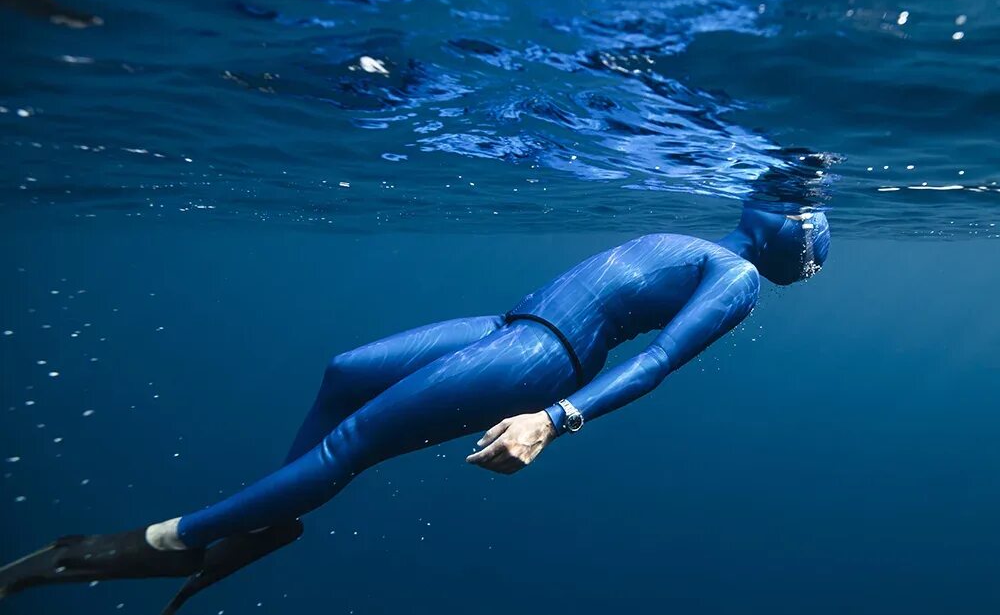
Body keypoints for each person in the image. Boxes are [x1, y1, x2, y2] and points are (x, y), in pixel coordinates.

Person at [0, 204, 830, 613]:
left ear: (792, 244)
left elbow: (655, 362)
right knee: (344, 372)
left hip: (543, 359)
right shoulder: (720, 247)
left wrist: (556, 417)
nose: (788, 204)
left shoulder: (739, 280)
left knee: (352, 444)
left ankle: (166, 542)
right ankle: (261, 521)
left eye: (801, 215)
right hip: (510, 323)